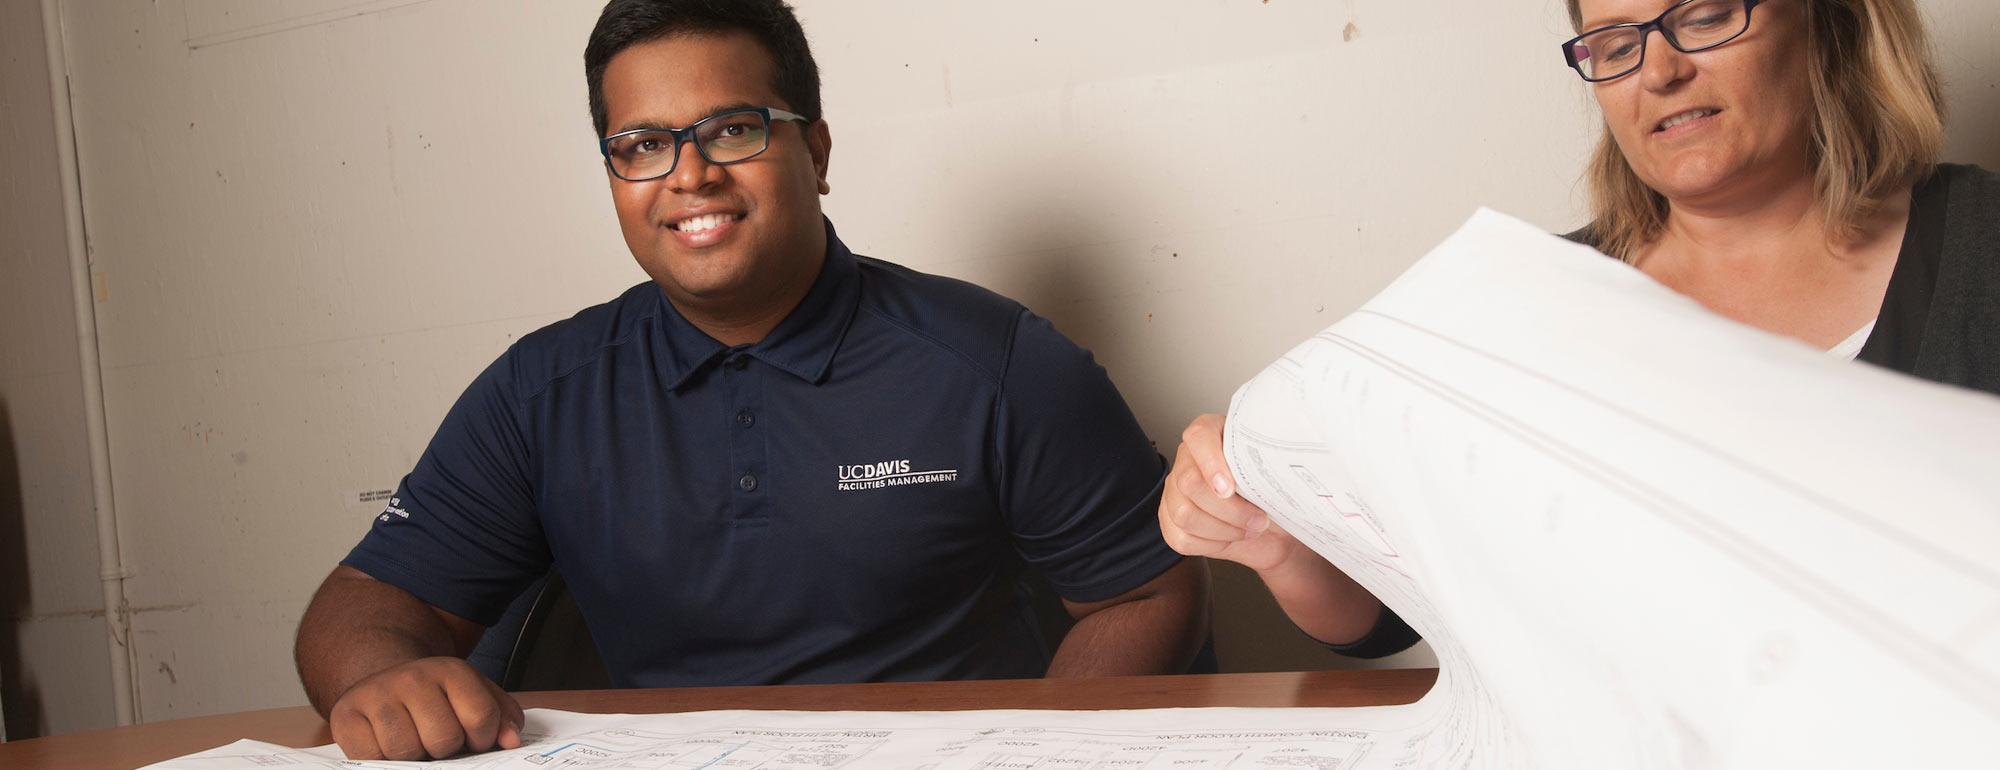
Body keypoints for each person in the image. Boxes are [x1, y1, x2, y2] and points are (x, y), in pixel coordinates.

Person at [294, 0, 1209, 761]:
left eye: (732, 130)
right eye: (642, 144)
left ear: (814, 152)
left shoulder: (995, 362)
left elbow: (1145, 592)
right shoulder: (542, 393)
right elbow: (370, 604)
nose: (688, 175)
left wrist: (1034, 749)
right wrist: (380, 678)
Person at [1160, 0, 1998, 657]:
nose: (1659, 71)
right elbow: (1388, 614)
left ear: (1831, 23)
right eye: (1614, 44)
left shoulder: (1981, 244)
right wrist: (1269, 536)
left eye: (1703, 16)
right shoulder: (1525, 303)